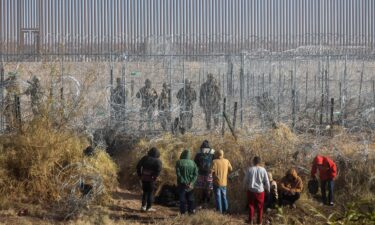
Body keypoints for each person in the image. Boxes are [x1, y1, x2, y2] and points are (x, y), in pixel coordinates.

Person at [243, 156, 270, 225]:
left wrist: (244, 187)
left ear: (253, 161)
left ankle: (250, 221)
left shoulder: (250, 169)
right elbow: (267, 181)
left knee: (251, 206)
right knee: (260, 207)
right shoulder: (263, 170)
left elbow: (245, 180)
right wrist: (268, 189)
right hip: (260, 191)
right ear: (260, 162)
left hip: (251, 191)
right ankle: (259, 222)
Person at [136, 147, 162, 212]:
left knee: (145, 192)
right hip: (151, 179)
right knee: (150, 193)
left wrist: (139, 175)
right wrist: (155, 177)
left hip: (143, 178)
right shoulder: (158, 161)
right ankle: (149, 207)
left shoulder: (145, 158)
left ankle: (143, 207)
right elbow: (158, 170)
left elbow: (138, 166)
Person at [176, 149, 199, 214]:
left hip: (182, 184)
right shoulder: (193, 163)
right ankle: (191, 212)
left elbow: (178, 174)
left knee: (182, 199)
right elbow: (196, 174)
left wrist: (184, 182)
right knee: (190, 198)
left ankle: (183, 213)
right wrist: (191, 182)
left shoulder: (179, 162)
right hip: (191, 185)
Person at [194, 140, 215, 209]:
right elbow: (214, 162)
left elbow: (195, 162)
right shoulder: (212, 151)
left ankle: (201, 203)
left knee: (201, 188)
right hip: (209, 173)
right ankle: (207, 203)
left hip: (200, 173)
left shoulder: (199, 151)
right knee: (208, 188)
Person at [211, 149, 232, 213]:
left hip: (216, 182)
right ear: (223, 154)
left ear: (216, 154)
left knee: (218, 197)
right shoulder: (226, 161)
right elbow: (231, 169)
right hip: (224, 183)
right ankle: (225, 210)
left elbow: (211, 171)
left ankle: (219, 212)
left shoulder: (214, 161)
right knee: (224, 197)